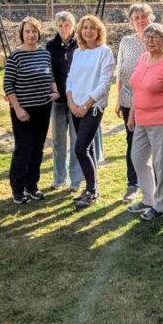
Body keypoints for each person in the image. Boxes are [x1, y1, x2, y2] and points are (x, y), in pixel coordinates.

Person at [126, 23, 163, 220]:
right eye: (147, 36)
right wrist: (133, 113)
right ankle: (148, 199)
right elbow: (138, 88)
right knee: (138, 159)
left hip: (162, 122)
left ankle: (160, 205)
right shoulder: (143, 58)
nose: (151, 40)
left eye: (156, 36)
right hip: (142, 120)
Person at [4, 17, 59, 203]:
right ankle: (17, 190)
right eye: (27, 31)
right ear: (22, 34)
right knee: (23, 149)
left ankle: (32, 186)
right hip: (23, 112)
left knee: (38, 149)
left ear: (39, 33)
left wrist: (55, 91)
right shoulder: (15, 56)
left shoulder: (44, 54)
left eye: (34, 31)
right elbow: (8, 85)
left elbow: (49, 75)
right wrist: (17, 108)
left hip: (43, 108)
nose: (31, 35)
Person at [66, 15, 115, 209]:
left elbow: (104, 83)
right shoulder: (78, 52)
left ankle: (92, 191)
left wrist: (86, 104)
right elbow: (70, 78)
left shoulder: (105, 53)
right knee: (89, 149)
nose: (88, 31)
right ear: (80, 31)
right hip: (75, 105)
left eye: (92, 28)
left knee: (80, 148)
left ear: (99, 31)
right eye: (84, 27)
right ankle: (91, 188)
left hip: (92, 107)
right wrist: (71, 102)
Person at [115, 3, 153, 203]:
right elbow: (120, 71)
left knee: (151, 144)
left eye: (144, 16)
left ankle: (152, 186)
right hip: (128, 100)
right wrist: (117, 100)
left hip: (151, 102)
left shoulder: (159, 38)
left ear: (151, 17)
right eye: (136, 17)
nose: (140, 21)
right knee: (131, 143)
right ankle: (133, 185)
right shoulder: (126, 42)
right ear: (131, 21)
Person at [46, 11, 83, 192]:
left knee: (76, 140)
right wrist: (53, 90)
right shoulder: (51, 46)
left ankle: (76, 179)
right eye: (60, 26)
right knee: (59, 142)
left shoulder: (80, 44)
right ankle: (60, 178)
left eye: (66, 25)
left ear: (72, 26)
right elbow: (48, 69)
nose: (63, 29)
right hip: (58, 100)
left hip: (76, 100)